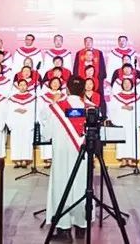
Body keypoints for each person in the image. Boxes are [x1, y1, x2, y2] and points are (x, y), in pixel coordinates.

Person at [42, 76, 89, 241]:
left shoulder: (55, 108)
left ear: (67, 89)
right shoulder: (90, 108)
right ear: (83, 90)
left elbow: (46, 134)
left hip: (61, 156)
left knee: (61, 187)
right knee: (82, 186)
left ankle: (64, 230)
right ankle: (82, 227)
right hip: (82, 156)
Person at [110, 77, 140, 167]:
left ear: (132, 85)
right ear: (122, 85)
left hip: (132, 122)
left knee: (132, 139)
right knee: (122, 139)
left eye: (128, 83)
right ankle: (123, 160)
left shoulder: (137, 97)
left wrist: (133, 108)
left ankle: (130, 159)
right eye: (125, 83)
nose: (126, 85)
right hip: (121, 121)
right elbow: (112, 108)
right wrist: (122, 107)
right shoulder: (116, 97)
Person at [6, 78, 35, 168]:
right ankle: (17, 160)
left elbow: (34, 110)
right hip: (16, 122)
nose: (22, 87)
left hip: (27, 122)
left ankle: (25, 160)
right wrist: (10, 123)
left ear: (27, 86)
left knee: (26, 140)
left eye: (24, 85)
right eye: (21, 85)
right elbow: (8, 111)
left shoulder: (32, 97)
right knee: (16, 140)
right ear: (18, 86)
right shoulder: (12, 98)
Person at [38, 76, 66, 168]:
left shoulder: (64, 97)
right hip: (47, 121)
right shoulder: (44, 97)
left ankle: (57, 159)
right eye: (53, 82)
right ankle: (48, 159)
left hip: (59, 122)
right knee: (46, 138)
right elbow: (40, 110)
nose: (55, 84)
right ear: (50, 84)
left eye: (57, 83)